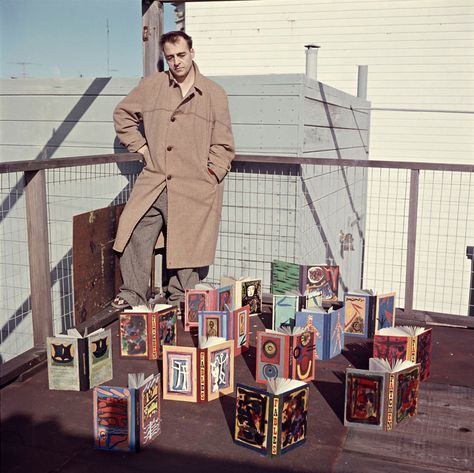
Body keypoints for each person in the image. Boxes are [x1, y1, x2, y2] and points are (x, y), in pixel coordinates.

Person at [111, 31, 235, 311]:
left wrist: (211, 174)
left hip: (195, 184)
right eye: (170, 57)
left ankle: (181, 300)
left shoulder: (214, 93)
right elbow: (122, 115)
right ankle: (133, 294)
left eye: (181, 55)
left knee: (187, 244)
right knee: (133, 231)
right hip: (155, 180)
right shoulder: (152, 86)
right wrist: (141, 147)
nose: (176, 62)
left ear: (192, 52)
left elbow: (224, 143)